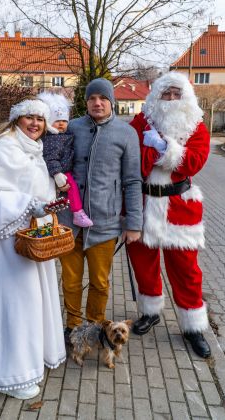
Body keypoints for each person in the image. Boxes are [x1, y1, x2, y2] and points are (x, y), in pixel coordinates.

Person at [0, 99, 66, 399]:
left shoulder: (36, 151)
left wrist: (48, 203)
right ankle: (10, 374)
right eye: (29, 118)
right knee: (13, 305)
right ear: (16, 119)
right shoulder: (0, 148)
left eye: (40, 119)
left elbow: (39, 189)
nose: (35, 124)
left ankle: (30, 360)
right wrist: (25, 204)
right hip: (7, 242)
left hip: (33, 238)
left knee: (32, 301)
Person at [127, 71, 211, 358]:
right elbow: (130, 159)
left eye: (177, 93)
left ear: (186, 96)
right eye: (166, 93)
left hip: (180, 206)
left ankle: (192, 326)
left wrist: (165, 148)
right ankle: (149, 312)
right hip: (144, 204)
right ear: (156, 96)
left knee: (186, 270)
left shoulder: (196, 125)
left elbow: (195, 162)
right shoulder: (141, 122)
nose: (172, 98)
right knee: (143, 264)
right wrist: (146, 147)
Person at [58, 78, 143, 342]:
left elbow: (132, 181)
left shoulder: (126, 133)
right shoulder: (72, 128)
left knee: (100, 282)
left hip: (104, 222)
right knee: (70, 281)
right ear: (86, 102)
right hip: (69, 220)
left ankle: (93, 327)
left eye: (103, 98)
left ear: (111, 102)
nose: (97, 103)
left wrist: (134, 223)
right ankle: (72, 326)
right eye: (92, 98)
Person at [37, 91, 93, 227]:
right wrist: (57, 174)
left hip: (65, 168)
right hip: (60, 171)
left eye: (64, 121)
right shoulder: (52, 138)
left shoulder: (63, 135)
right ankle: (77, 212)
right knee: (72, 188)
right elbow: (51, 158)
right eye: (57, 121)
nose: (61, 124)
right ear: (49, 122)